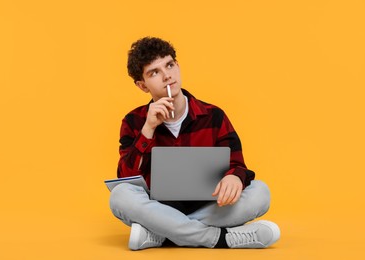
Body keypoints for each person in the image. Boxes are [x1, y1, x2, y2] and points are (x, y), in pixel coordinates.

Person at [109, 37, 280, 250]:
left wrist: (235, 177)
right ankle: (219, 239)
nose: (167, 76)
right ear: (142, 85)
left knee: (260, 193)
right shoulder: (134, 121)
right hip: (157, 207)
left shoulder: (214, 115)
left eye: (169, 65)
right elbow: (126, 178)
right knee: (120, 196)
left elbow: (238, 165)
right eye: (154, 72)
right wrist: (148, 130)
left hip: (208, 205)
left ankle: (161, 234)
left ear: (178, 66)